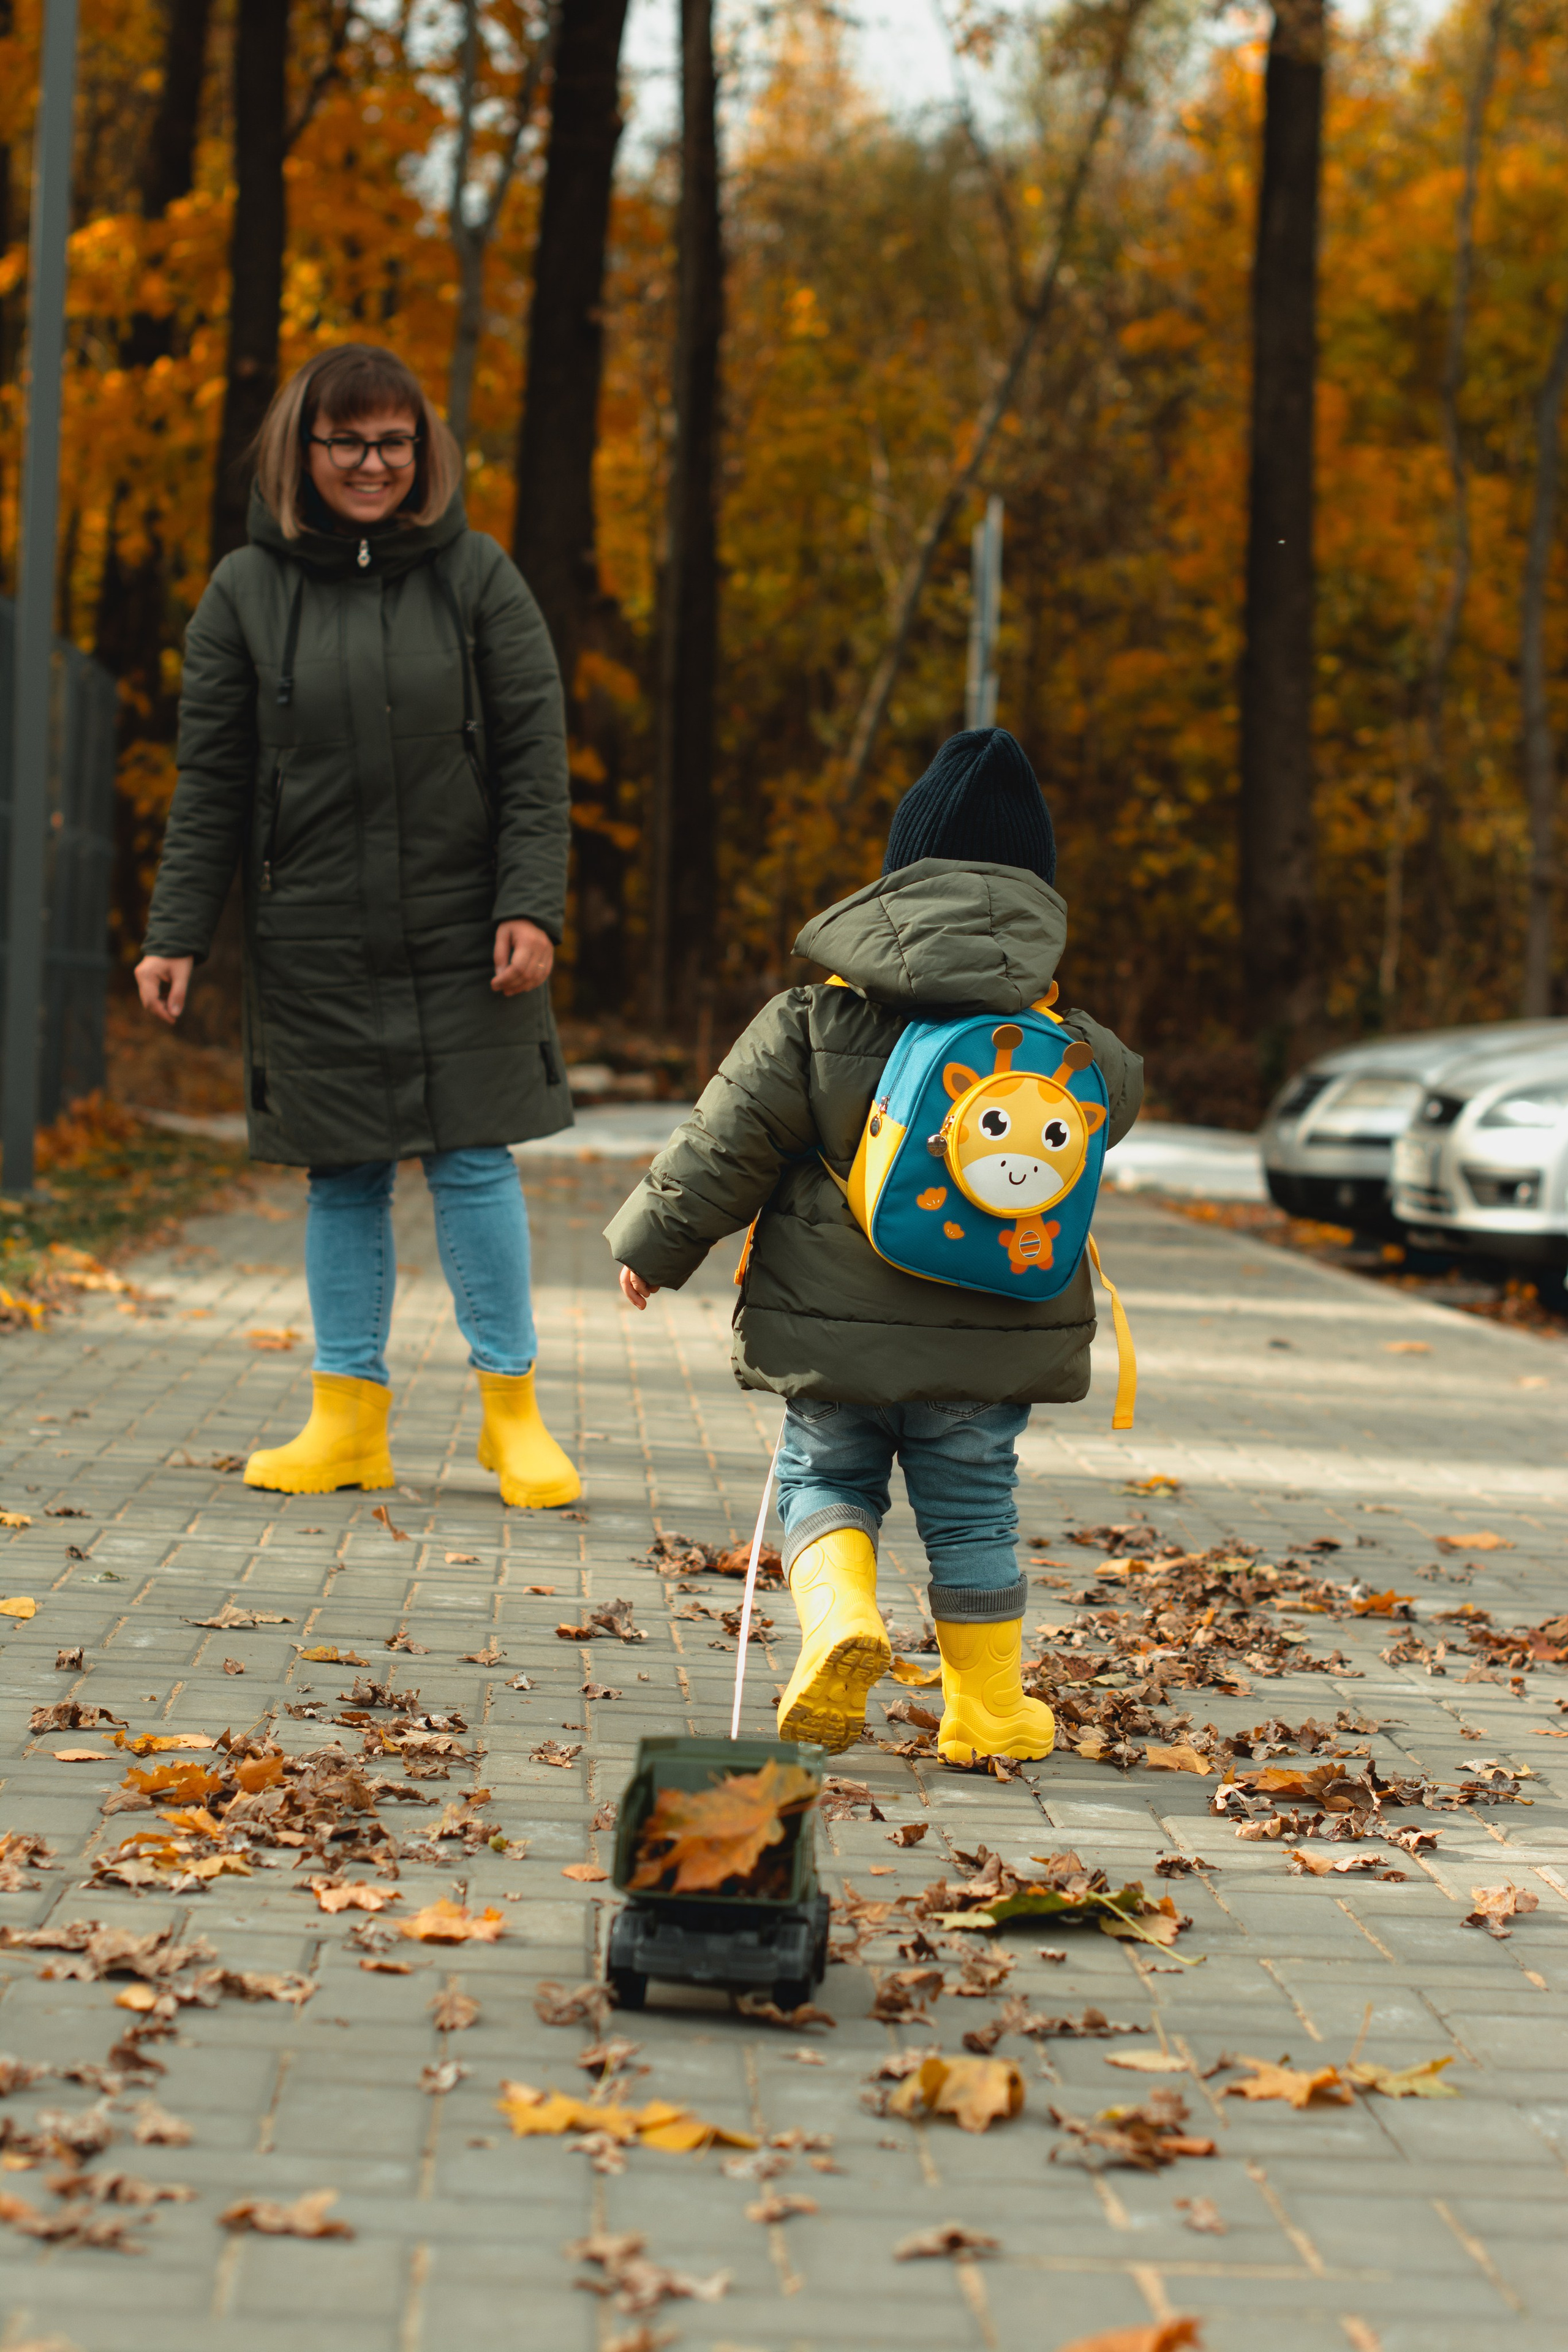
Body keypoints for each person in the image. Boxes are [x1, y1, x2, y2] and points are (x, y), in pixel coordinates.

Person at [605, 728, 1142, 1761]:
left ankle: (840, 1620)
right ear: (1036, 894)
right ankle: (986, 1709)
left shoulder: (812, 1022)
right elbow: (1118, 1100)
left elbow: (724, 1145)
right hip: (995, 1337)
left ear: (897, 882)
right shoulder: (1064, 1040)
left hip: (835, 1337)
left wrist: (654, 1244)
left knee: (826, 1480)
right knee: (975, 1510)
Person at [135, 342, 581, 1509]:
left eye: (395, 441)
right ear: (305, 451)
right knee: (343, 1175)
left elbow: (536, 762)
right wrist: (174, 932)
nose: (373, 463)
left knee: (473, 1162)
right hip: (315, 932)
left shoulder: (479, 577)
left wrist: (530, 902)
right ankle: (346, 1421)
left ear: (423, 451)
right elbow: (211, 780)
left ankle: (512, 1414)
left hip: (463, 924)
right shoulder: (245, 591)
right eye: (349, 442)